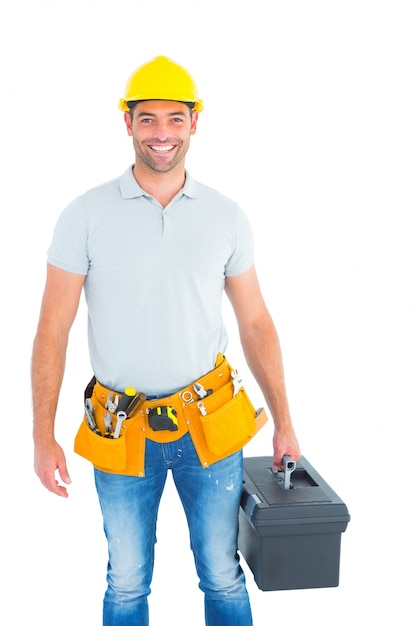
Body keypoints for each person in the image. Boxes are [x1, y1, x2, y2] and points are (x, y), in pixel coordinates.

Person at [32, 55, 301, 626]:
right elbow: (52, 330)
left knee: (222, 572)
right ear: (126, 123)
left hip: (212, 424)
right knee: (126, 583)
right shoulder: (84, 215)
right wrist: (42, 435)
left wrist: (284, 422)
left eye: (174, 119)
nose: (161, 134)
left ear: (195, 122)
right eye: (148, 119)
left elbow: (256, 323)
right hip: (121, 428)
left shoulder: (226, 216)